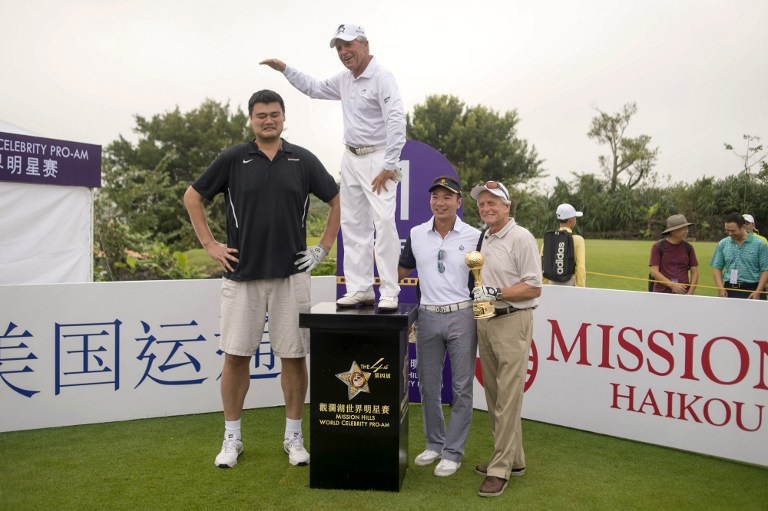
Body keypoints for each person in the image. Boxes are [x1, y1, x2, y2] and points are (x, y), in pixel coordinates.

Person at [183, 90, 341, 468]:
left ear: (284, 117)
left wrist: (323, 247)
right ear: (251, 120)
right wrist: (209, 244)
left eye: (274, 114)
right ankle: (232, 439)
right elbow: (193, 197)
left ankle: (293, 438)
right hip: (242, 275)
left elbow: (337, 200)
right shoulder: (234, 159)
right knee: (236, 357)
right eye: (260, 115)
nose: (267, 120)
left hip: (291, 275)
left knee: (293, 356)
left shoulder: (302, 159)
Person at [260, 23, 406, 312]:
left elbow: (396, 120)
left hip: (378, 158)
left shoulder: (383, 77)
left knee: (385, 224)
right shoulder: (344, 79)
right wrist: (285, 69)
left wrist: (390, 164)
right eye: (339, 48)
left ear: (364, 44)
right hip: (350, 158)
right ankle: (360, 289)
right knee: (353, 225)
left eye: (348, 45)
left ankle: (389, 291)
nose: (343, 52)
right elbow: (314, 88)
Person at [397, 176, 481, 478]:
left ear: (459, 202)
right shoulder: (417, 234)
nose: (440, 202)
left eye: (447, 197)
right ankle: (434, 443)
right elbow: (401, 268)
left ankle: (453, 452)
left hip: (463, 315)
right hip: (427, 316)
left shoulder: (475, 236)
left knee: (461, 387)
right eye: (436, 197)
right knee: (428, 386)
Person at [468, 181, 542, 498]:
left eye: (493, 203)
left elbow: (534, 287)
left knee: (508, 399)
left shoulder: (521, 237)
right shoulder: (485, 236)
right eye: (482, 204)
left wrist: (495, 293)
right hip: (487, 319)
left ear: (507, 206)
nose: (486, 208)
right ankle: (516, 460)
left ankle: (500, 469)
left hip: (513, 319)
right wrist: (483, 304)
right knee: (496, 396)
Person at [710, 212, 768, 300]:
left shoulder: (760, 244)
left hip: (753, 290)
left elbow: (765, 269)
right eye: (727, 230)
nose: (729, 233)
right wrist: (721, 288)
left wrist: (758, 291)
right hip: (730, 290)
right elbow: (717, 267)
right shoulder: (723, 244)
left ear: (743, 227)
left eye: (733, 231)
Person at [649, 214, 699, 294]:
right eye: (682, 228)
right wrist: (672, 285)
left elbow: (695, 272)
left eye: (686, 228)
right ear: (672, 230)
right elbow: (654, 272)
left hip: (683, 294)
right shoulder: (658, 246)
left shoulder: (689, 248)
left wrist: (690, 292)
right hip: (661, 294)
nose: (686, 231)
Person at [541, 203, 586, 287]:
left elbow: (543, 264)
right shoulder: (578, 240)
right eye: (575, 217)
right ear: (571, 220)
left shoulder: (549, 239)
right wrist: (580, 289)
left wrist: (544, 286)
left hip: (551, 284)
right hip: (570, 284)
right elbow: (580, 267)